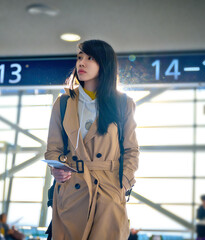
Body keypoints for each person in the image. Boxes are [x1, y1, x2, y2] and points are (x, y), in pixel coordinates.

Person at [45, 39, 139, 239]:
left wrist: (123, 184)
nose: (81, 63)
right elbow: (53, 148)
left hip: (109, 190)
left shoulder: (123, 103)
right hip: (72, 191)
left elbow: (131, 149)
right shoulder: (63, 103)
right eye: (79, 58)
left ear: (104, 64)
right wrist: (58, 169)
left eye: (90, 58)